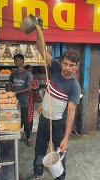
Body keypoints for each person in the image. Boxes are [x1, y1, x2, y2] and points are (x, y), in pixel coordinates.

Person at [28, 17, 81, 180]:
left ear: (76, 67)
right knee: (39, 150)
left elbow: (71, 113)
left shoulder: (74, 86)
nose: (67, 68)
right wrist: (39, 30)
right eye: (65, 64)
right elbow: (40, 47)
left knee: (59, 154)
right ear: (61, 62)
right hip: (44, 120)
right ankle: (38, 174)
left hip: (58, 124)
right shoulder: (55, 68)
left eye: (71, 66)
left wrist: (66, 137)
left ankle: (60, 177)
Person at [8, 54, 33, 146]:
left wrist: (18, 92)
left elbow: (30, 88)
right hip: (13, 101)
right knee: (12, 119)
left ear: (22, 61)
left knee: (25, 119)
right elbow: (10, 85)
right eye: (15, 60)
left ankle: (28, 137)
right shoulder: (13, 74)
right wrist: (9, 93)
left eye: (17, 60)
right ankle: (13, 137)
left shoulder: (27, 74)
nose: (16, 62)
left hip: (23, 101)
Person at [24, 65, 39, 137]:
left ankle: (29, 132)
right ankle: (26, 131)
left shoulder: (33, 78)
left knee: (30, 115)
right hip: (23, 98)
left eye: (31, 71)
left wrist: (31, 87)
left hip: (31, 99)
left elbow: (36, 86)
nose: (30, 72)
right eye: (28, 70)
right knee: (24, 116)